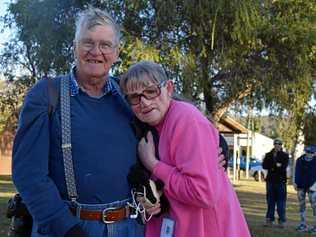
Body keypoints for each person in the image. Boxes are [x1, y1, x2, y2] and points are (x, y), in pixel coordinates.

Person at [12, 7, 226, 237]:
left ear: (116, 52)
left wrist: (217, 143)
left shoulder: (130, 96)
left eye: (105, 45)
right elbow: (29, 174)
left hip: (131, 227)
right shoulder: (47, 95)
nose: (96, 52)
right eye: (87, 43)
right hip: (71, 226)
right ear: (74, 47)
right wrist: (66, 228)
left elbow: (173, 114)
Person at [120, 60, 250, 237]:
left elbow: (202, 192)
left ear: (169, 89)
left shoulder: (186, 119)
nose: (144, 102)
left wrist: (153, 164)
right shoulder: (145, 128)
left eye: (151, 91)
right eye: (134, 97)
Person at [262, 138, 289, 228]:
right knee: (270, 201)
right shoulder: (268, 154)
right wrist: (276, 165)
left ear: (281, 145)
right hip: (270, 181)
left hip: (281, 181)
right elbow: (264, 165)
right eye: (276, 144)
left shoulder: (285, 155)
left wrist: (274, 166)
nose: (277, 145)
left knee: (281, 202)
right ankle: (269, 219)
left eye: (279, 144)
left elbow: (283, 167)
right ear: (274, 145)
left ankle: (282, 221)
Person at [294, 145, 316, 233]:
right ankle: (303, 224)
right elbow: (297, 172)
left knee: (314, 206)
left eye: (312, 153)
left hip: (313, 187)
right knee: (301, 205)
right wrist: (296, 182)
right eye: (308, 152)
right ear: (305, 151)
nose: (310, 154)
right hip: (301, 186)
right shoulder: (300, 160)